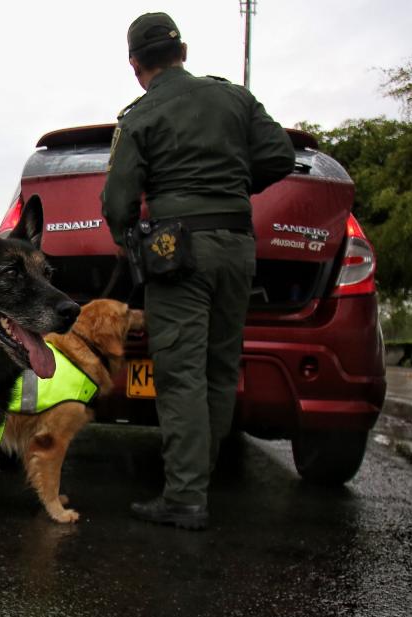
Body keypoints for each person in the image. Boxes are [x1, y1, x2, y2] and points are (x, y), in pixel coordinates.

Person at [100, 12, 295, 530]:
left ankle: (185, 496)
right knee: (219, 367)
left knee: (181, 372)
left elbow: (117, 199)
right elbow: (279, 155)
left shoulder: (140, 115)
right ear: (182, 51)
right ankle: (199, 479)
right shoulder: (235, 98)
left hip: (177, 248)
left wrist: (125, 240)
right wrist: (228, 188)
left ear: (135, 64)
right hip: (238, 245)